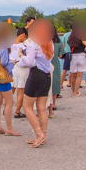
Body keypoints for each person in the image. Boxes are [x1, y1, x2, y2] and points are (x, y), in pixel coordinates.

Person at [18, 18, 55, 148]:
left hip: (35, 76)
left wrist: (21, 56)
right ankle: (43, 135)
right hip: (46, 75)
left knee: (27, 106)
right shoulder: (50, 42)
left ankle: (39, 134)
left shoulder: (33, 44)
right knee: (42, 108)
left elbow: (29, 62)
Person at [0, 22, 19, 136]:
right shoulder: (4, 47)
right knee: (9, 102)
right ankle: (9, 128)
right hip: (2, 77)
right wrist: (12, 64)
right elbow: (5, 63)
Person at [11, 28, 29, 117]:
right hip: (21, 68)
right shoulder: (23, 46)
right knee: (21, 91)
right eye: (25, 36)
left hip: (12, 68)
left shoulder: (9, 44)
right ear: (22, 35)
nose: (25, 38)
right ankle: (17, 111)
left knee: (11, 89)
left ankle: (6, 108)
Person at [67, 27, 86, 97]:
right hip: (81, 56)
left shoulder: (70, 38)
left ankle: (73, 90)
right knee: (79, 76)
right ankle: (76, 91)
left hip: (73, 56)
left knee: (73, 75)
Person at [50, 29, 64, 113]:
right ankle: (53, 103)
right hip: (55, 63)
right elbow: (60, 55)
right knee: (55, 82)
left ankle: (47, 103)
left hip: (45, 63)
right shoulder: (59, 42)